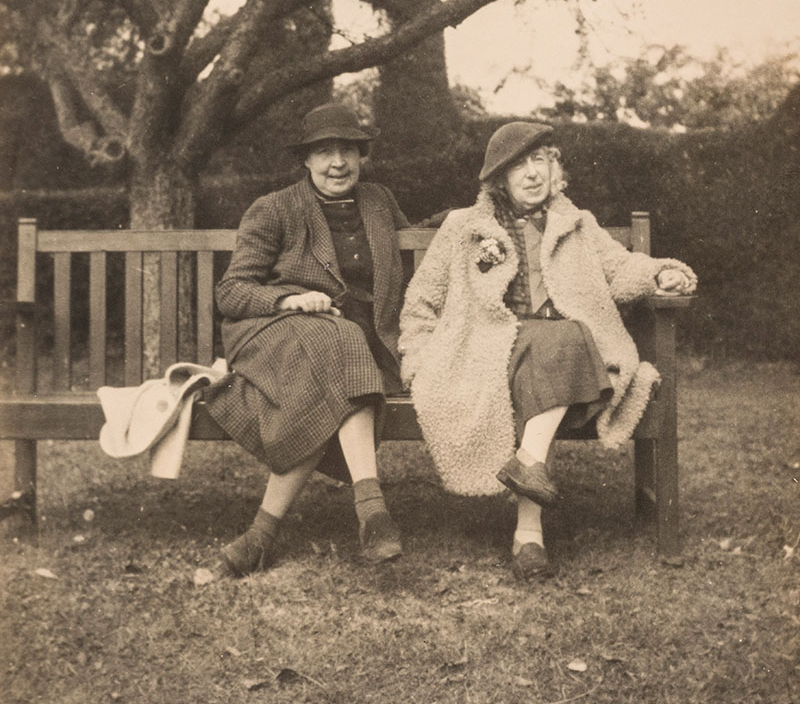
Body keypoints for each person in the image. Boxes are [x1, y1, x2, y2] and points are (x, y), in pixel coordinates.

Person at [398, 121, 696, 582]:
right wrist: (416, 360)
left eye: (540, 160)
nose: (533, 174)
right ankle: (528, 507)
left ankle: (528, 524)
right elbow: (422, 301)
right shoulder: (465, 227)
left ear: (554, 167)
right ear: (499, 179)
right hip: (492, 350)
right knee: (566, 340)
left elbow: (620, 269)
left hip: (561, 357)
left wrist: (660, 274)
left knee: (565, 339)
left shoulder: (577, 224)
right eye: (519, 165)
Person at [209, 103, 409, 576]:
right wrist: (289, 300)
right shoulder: (275, 208)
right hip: (274, 332)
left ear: (362, 157)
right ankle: (372, 509)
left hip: (356, 343)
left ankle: (260, 535)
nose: (337, 163)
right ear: (306, 160)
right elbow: (232, 291)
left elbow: (419, 238)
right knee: (336, 340)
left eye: (347, 151)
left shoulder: (379, 202)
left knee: (341, 345)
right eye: (324, 151)